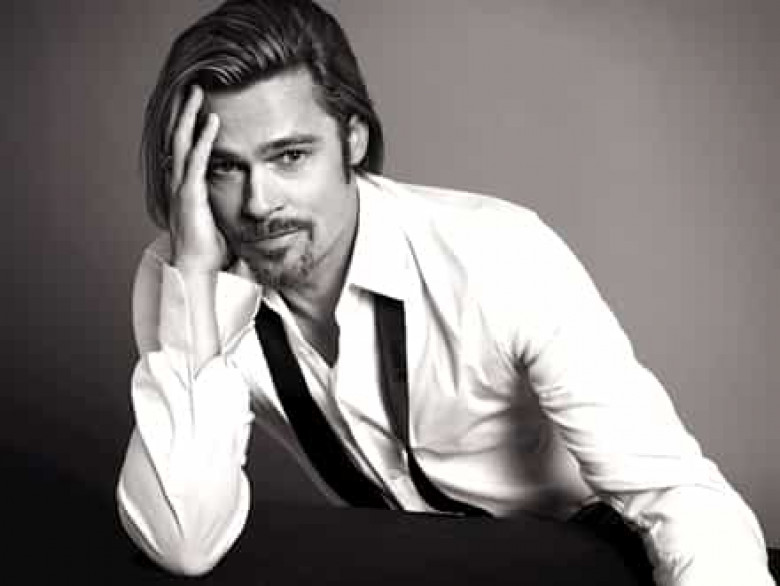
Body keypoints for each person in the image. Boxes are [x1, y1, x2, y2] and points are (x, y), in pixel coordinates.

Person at [116, 1, 774, 584]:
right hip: (414, 560)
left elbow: (675, 495)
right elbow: (183, 543)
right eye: (224, 168)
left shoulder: (497, 253)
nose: (260, 204)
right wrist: (196, 283)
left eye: (290, 156)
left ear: (353, 138)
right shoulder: (188, 284)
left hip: (591, 554)